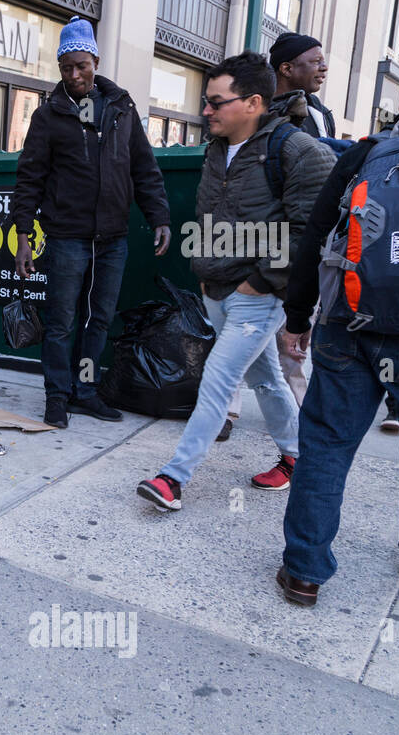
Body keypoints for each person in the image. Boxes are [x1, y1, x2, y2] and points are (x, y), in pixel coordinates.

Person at [273, 43, 399, 606]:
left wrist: (297, 318)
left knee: (325, 444)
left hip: (350, 321)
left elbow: (314, 237)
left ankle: (304, 571)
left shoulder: (367, 154)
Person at [138, 51, 336, 512]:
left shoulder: (299, 151)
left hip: (259, 295)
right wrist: (206, 273)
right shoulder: (214, 150)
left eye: (215, 102)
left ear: (252, 102)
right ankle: (297, 457)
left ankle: (174, 477)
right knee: (266, 379)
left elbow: (310, 231)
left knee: (218, 380)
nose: (205, 111)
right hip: (217, 290)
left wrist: (262, 282)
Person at [9, 15, 172, 429]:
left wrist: (159, 216)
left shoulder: (121, 107)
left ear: (95, 60)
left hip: (112, 239)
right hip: (67, 237)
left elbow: (144, 166)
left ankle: (84, 391)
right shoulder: (48, 116)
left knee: (98, 318)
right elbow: (29, 177)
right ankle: (56, 396)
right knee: (62, 321)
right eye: (66, 67)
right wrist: (24, 235)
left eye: (81, 64)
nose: (75, 74)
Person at [218, 33, 334, 430]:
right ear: (286, 68)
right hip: (247, 240)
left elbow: (322, 189)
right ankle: (225, 412)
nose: (323, 67)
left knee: (292, 340)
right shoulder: (250, 111)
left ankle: (303, 426)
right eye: (314, 60)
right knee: (235, 332)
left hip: (294, 245)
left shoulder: (317, 115)